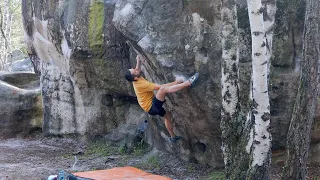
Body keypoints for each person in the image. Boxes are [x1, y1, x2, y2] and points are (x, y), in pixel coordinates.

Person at [124, 55, 199, 142]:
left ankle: (172, 137)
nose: (136, 69)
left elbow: (138, 70)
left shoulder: (135, 78)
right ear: (135, 77)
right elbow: (161, 87)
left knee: (167, 116)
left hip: (149, 107)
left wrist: (138, 60)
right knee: (163, 90)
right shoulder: (142, 84)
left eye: (134, 68)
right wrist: (177, 82)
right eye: (134, 70)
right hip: (152, 107)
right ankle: (188, 83)